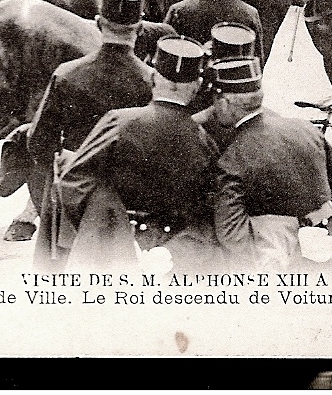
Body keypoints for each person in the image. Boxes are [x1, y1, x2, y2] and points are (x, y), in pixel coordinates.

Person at [49, 36, 220, 271]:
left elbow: (73, 180)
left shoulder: (118, 121)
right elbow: (204, 215)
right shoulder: (204, 142)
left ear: (152, 78)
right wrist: (169, 252)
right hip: (166, 256)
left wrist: (106, 228)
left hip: (105, 248)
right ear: (198, 85)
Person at [210, 58, 332, 271]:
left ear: (224, 103)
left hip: (286, 268)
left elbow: (232, 235)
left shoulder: (232, 158)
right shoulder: (306, 130)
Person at [28, 0, 154, 255]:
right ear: (140, 27)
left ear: (98, 23)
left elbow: (38, 141)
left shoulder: (67, 74)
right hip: (127, 201)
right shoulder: (150, 81)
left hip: (73, 194)